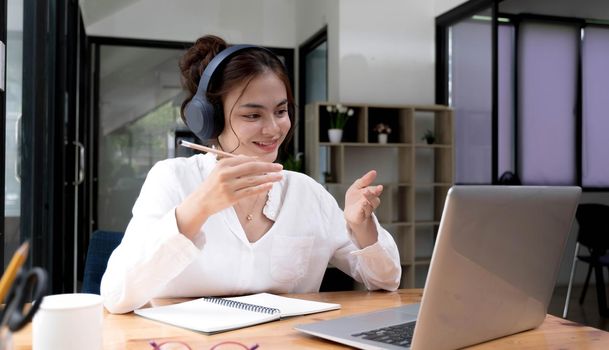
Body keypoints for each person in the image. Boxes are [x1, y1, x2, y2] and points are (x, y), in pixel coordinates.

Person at [100, 35, 401, 314]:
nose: (273, 129)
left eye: (281, 112)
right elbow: (115, 296)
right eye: (252, 115)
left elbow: (386, 280)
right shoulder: (172, 180)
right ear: (209, 119)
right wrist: (198, 207)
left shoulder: (306, 193)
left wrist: (361, 227)